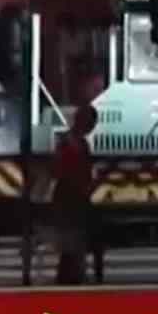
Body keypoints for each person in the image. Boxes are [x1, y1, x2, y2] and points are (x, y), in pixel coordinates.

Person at [52, 105, 98, 284]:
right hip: (69, 194)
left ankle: (72, 271)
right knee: (72, 235)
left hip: (72, 193)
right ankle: (71, 272)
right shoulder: (70, 143)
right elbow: (61, 169)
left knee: (74, 236)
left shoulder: (74, 143)